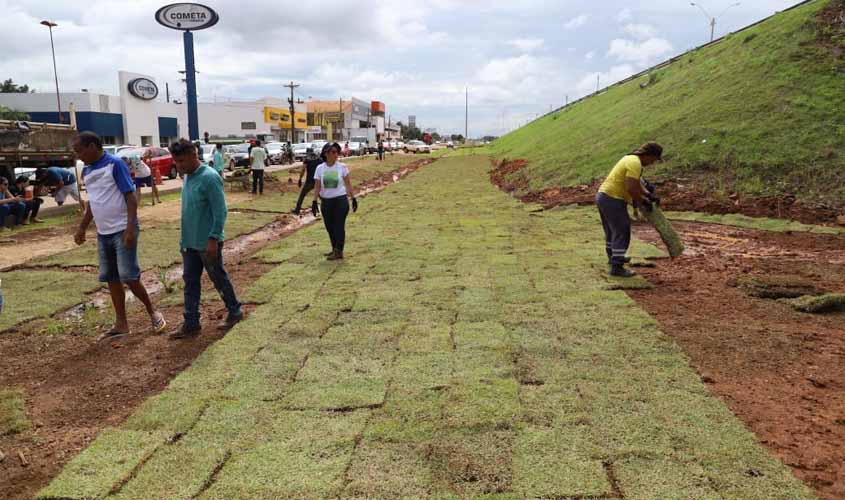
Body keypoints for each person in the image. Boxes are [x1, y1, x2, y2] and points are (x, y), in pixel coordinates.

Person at [72, 131, 167, 341]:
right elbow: (93, 203)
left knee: (129, 276)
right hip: (103, 233)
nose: (78, 155)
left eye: (79, 151)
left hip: (122, 229)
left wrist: (130, 228)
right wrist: (82, 228)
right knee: (112, 279)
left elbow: (130, 197)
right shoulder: (87, 171)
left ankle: (153, 312)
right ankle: (121, 324)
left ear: (92, 146)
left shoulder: (114, 164)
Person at [168, 139, 243, 339]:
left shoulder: (210, 177)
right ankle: (191, 322)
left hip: (207, 242)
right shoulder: (187, 177)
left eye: (182, 161)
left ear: (194, 155)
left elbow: (221, 211)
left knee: (218, 277)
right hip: (189, 243)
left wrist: (213, 238)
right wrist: (184, 241)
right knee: (190, 282)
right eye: (176, 162)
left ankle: (235, 311)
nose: (179, 166)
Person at [596, 142, 663, 278]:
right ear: (649, 155)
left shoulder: (630, 159)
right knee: (622, 230)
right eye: (653, 160)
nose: (652, 163)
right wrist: (642, 201)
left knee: (612, 231)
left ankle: (614, 257)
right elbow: (631, 188)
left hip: (604, 196)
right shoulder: (635, 163)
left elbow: (637, 183)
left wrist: (648, 195)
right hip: (612, 199)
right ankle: (617, 267)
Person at [313, 142, 358, 260]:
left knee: (338, 226)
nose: (336, 154)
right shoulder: (320, 168)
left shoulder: (342, 167)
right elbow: (317, 186)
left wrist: (353, 198)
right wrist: (314, 201)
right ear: (326, 153)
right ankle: (334, 248)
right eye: (333, 152)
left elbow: (348, 184)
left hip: (340, 201)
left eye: (337, 152)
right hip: (326, 202)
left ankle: (339, 251)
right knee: (329, 226)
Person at [293, 147, 322, 216]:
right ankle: (327, 209)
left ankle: (297, 210)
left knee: (302, 195)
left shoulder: (307, 160)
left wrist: (300, 179)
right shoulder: (320, 160)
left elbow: (303, 170)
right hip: (318, 181)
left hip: (309, 181)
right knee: (321, 197)